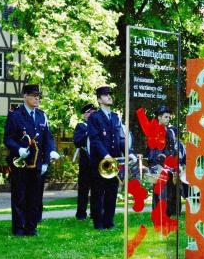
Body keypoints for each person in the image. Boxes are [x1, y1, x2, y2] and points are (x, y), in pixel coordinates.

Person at [4, 84, 57, 236]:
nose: (37, 98)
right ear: (25, 96)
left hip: (37, 164)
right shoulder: (15, 115)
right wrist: (18, 149)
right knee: (19, 196)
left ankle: (31, 227)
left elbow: (48, 138)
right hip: (20, 163)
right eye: (34, 95)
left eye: (38, 96)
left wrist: (49, 156)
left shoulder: (41, 115)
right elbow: (7, 139)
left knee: (34, 197)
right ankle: (19, 228)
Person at [87, 85, 136, 230]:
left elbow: (120, 138)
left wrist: (128, 152)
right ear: (99, 99)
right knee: (98, 192)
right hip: (100, 161)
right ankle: (98, 222)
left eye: (110, 94)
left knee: (112, 192)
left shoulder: (115, 117)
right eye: (106, 95)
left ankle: (109, 221)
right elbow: (94, 139)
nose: (109, 97)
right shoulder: (94, 117)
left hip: (113, 161)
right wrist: (105, 155)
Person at [136, 105, 184, 217]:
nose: (168, 119)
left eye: (169, 117)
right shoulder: (153, 130)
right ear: (159, 117)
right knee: (160, 189)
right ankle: (160, 213)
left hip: (171, 162)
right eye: (166, 117)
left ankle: (173, 212)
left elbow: (174, 147)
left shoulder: (171, 131)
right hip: (159, 163)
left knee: (173, 187)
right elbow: (153, 149)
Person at [73, 103, 96, 220]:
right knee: (83, 189)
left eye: (93, 112)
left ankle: (95, 212)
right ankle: (81, 214)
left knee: (97, 189)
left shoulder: (99, 125)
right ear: (84, 115)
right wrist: (88, 132)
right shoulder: (81, 126)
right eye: (89, 113)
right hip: (85, 163)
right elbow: (77, 141)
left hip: (97, 161)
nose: (92, 115)